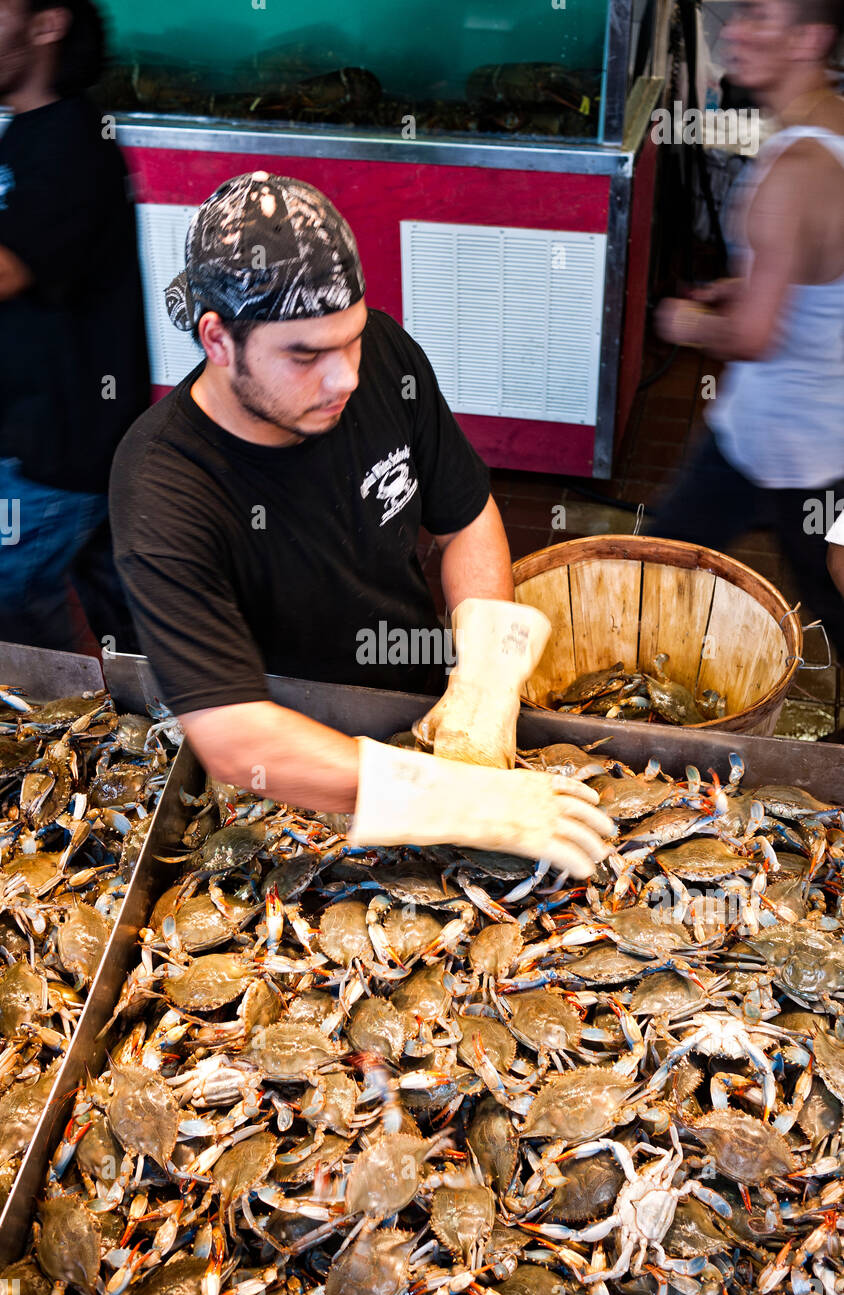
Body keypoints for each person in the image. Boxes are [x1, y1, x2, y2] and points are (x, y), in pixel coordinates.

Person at [110, 172, 613, 875]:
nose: (344, 377)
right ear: (217, 340)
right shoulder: (162, 484)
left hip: (416, 709)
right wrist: (456, 799)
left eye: (349, 339)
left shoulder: (382, 359)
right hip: (289, 770)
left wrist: (485, 679)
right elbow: (232, 735)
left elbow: (465, 518)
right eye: (305, 355)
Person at [651, 0, 844, 654]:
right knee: (828, 591)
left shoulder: (793, 170)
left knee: (660, 567)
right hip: (825, 438)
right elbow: (823, 265)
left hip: (775, 440)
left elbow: (759, 337)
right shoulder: (834, 128)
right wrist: (755, 281)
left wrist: (689, 322)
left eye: (758, 17)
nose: (732, 32)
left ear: (809, 39)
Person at [0, 0, 149, 652]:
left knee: (9, 586)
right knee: (116, 600)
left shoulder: (70, 138)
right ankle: (149, 723)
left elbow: (5, 269)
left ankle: (57, 717)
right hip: (66, 426)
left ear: (47, 24)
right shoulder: (31, 128)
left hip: (67, 436)